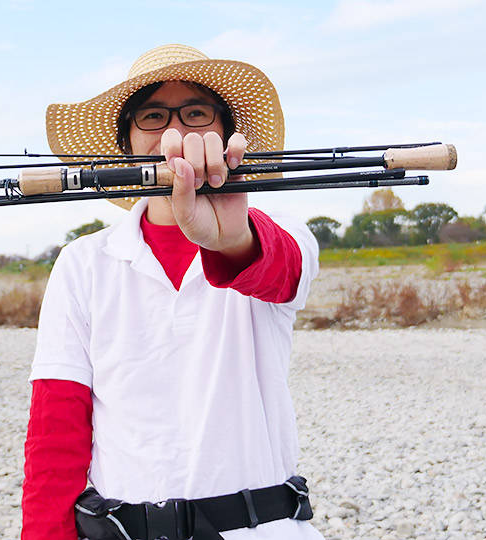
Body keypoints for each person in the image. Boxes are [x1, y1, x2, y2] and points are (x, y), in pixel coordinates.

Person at [22, 44, 322, 540]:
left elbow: (278, 270)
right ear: (126, 143)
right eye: (153, 116)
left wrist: (229, 238)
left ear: (225, 135)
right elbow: (56, 430)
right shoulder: (83, 262)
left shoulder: (281, 232)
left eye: (196, 113)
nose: (174, 134)